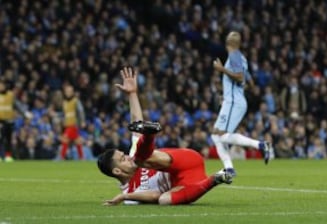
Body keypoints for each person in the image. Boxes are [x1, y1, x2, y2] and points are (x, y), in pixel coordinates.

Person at [97, 67, 232, 205]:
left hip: (184, 161)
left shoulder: (134, 157)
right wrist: (125, 197)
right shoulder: (130, 195)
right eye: (123, 158)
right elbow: (156, 195)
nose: (127, 156)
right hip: (189, 183)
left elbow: (136, 121)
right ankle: (217, 178)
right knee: (164, 200)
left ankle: (149, 134)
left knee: (140, 158)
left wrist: (132, 93)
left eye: (124, 154)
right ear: (117, 170)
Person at [211, 31, 274, 176]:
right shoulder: (242, 59)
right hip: (232, 100)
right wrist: (229, 92)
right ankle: (229, 168)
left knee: (221, 135)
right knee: (215, 136)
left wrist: (221, 70)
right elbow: (250, 83)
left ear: (229, 42)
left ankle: (261, 145)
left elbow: (239, 77)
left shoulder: (234, 56)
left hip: (234, 102)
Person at [0, 79, 32, 162]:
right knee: (0, 138)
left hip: (9, 121)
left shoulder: (10, 95)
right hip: (0, 121)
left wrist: (25, 114)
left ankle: (8, 156)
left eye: (2, 85)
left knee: (8, 139)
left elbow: (17, 106)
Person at [60, 85, 86, 160]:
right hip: (67, 125)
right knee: (77, 141)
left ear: (72, 92)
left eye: (70, 91)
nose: (68, 93)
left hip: (74, 124)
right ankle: (81, 157)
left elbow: (81, 112)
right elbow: (64, 114)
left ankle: (62, 157)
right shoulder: (64, 102)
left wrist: (82, 121)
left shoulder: (75, 101)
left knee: (65, 139)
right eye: (67, 91)